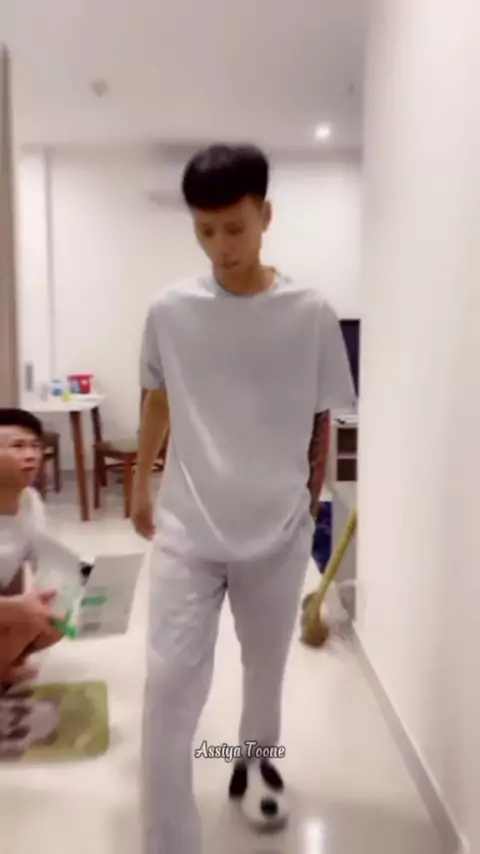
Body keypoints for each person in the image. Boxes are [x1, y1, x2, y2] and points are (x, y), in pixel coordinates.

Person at [132, 144, 355, 854]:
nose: (221, 247)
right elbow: (158, 398)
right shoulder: (170, 310)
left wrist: (310, 506)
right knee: (169, 685)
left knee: (265, 669)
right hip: (187, 529)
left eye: (234, 228)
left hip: (276, 531)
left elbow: (323, 420)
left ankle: (254, 763)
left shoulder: (311, 313)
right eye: (205, 231)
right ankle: (168, 840)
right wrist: (140, 481)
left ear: (266, 216)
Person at [0, 408, 46, 595]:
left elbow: (34, 565)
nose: (31, 455)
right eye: (17, 446)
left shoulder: (31, 500)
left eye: (35, 446)